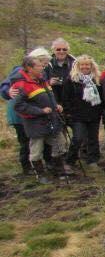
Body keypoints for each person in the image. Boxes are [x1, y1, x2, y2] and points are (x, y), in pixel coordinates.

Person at [13, 55, 68, 183]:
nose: (42, 67)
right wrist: (40, 111)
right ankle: (41, 175)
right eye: (38, 65)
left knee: (60, 144)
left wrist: (56, 106)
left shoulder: (43, 81)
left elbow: (49, 98)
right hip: (35, 123)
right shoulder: (22, 84)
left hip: (52, 120)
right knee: (36, 150)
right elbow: (19, 105)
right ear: (29, 68)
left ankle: (58, 170)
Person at [1, 48, 50, 175]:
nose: (44, 66)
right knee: (25, 141)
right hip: (20, 113)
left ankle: (40, 165)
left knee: (38, 139)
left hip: (36, 112)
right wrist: (8, 92)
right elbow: (5, 86)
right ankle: (27, 167)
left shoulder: (40, 74)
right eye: (42, 63)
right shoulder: (19, 72)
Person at [62, 55, 103, 169]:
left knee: (93, 138)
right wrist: (69, 112)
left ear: (91, 66)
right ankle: (70, 161)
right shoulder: (71, 80)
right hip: (77, 115)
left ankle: (92, 160)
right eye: (82, 65)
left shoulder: (97, 79)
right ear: (78, 66)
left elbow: (102, 97)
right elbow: (66, 98)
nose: (85, 67)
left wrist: (100, 111)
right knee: (78, 138)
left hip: (94, 114)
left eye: (87, 65)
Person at [44, 37, 75, 104]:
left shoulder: (75, 63)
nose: (61, 51)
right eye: (58, 49)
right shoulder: (46, 63)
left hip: (71, 100)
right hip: (52, 100)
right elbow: (38, 82)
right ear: (53, 50)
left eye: (64, 49)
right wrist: (49, 82)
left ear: (68, 50)